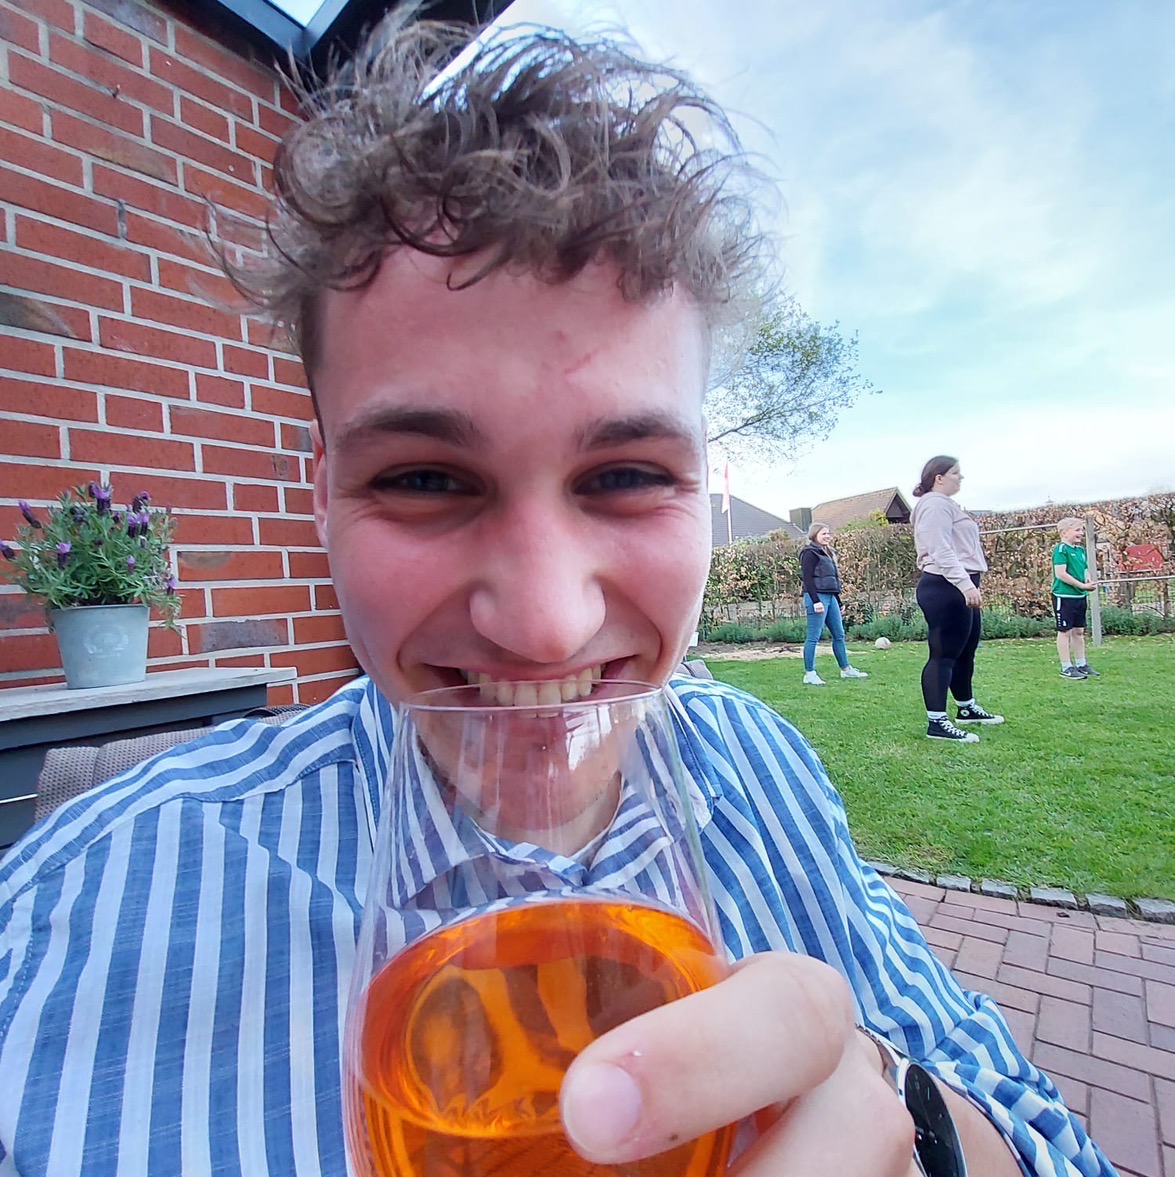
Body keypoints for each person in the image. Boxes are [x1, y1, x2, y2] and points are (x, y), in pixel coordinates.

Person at [0, 17, 1113, 1177]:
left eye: (625, 476)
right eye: (425, 479)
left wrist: (914, 1120)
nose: (544, 624)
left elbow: (1049, 1139)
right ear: (320, 494)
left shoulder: (762, 768)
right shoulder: (54, 943)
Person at [911, 456, 1006, 743]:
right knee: (943, 654)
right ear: (938, 478)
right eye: (955, 473)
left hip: (959, 583)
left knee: (965, 650)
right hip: (945, 585)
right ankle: (937, 722)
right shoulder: (934, 504)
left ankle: (966, 708)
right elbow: (939, 549)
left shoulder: (945, 505)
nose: (960, 477)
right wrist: (965, 585)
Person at [799, 521, 869, 684]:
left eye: (828, 533)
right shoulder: (809, 553)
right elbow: (807, 578)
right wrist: (816, 601)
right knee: (813, 636)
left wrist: (838, 600)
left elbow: (832, 580)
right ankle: (809, 674)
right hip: (817, 597)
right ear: (814, 535)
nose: (827, 536)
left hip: (830, 597)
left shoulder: (828, 553)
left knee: (839, 634)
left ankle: (846, 670)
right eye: (824, 533)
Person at [1053, 516, 1099, 679]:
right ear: (1064, 532)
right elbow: (1060, 574)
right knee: (1065, 631)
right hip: (1064, 596)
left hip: (1079, 596)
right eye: (1077, 530)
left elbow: (1084, 569)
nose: (1081, 533)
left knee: (1079, 631)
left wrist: (1087, 580)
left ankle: (1081, 664)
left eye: (1082, 530)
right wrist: (1081, 586)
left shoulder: (1080, 551)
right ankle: (1066, 667)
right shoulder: (1061, 550)